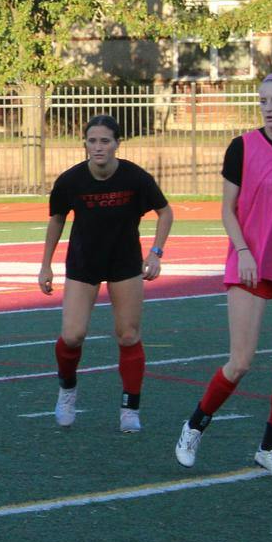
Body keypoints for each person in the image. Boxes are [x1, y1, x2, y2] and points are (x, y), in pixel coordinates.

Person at [175, 71, 272, 478]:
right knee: (240, 362)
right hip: (250, 263)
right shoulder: (242, 147)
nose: (268, 108)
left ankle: (269, 449)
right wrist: (242, 251)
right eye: (263, 101)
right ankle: (194, 425)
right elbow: (227, 209)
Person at [39, 115, 174, 434]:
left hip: (124, 263)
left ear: (117, 144)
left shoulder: (135, 178)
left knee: (128, 334)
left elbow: (165, 212)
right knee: (72, 335)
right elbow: (57, 219)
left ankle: (130, 408)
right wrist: (46, 264)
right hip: (83, 264)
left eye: (105, 141)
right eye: (92, 141)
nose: (98, 147)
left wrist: (156, 253)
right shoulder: (70, 181)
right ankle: (67, 392)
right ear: (84, 143)